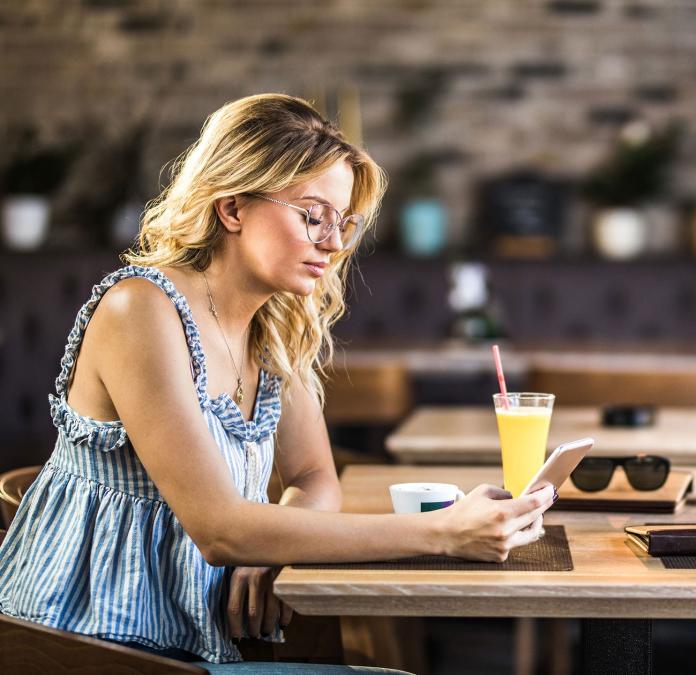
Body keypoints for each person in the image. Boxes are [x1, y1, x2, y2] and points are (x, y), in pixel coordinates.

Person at [0, 94, 554, 672]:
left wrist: (273, 542)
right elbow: (218, 529)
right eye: (312, 214)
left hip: (197, 643)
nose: (334, 243)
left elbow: (314, 476)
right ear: (233, 208)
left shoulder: (273, 327)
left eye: (344, 222)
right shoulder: (139, 310)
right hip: (85, 646)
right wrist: (441, 532)